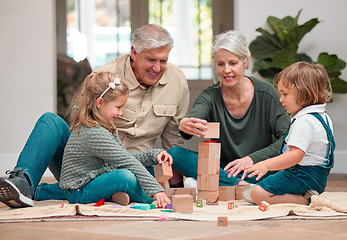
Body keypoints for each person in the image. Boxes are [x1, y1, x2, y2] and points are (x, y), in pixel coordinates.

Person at [0, 24, 188, 208]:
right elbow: (79, 120)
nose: (157, 68)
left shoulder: (177, 80)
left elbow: (173, 139)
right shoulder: (104, 79)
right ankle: (22, 181)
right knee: (51, 121)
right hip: (88, 164)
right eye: (151, 60)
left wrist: (171, 175)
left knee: (128, 177)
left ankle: (104, 193)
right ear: (135, 52)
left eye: (163, 61)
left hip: (136, 165)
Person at [168, 30, 290, 187]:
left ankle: (216, 182)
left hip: (258, 166)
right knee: (174, 154)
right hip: (224, 168)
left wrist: (251, 159)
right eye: (220, 64)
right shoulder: (210, 95)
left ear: (245, 61)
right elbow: (196, 115)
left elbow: (286, 139)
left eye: (233, 63)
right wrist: (185, 123)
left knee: (287, 168)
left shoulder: (266, 93)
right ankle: (239, 185)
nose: (226, 70)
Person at [59, 72, 171, 207]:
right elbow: (126, 161)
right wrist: (155, 190)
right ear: (100, 103)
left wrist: (154, 155)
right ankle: (148, 199)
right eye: (118, 107)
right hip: (79, 191)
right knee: (125, 177)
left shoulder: (107, 126)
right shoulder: (94, 132)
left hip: (94, 181)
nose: (121, 113)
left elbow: (123, 157)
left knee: (138, 170)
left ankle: (118, 196)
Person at [241, 62, 335, 205]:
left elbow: (295, 155)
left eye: (285, 94)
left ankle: (306, 200)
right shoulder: (323, 117)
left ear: (304, 92)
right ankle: (307, 193)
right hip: (319, 177)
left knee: (257, 194)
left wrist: (266, 164)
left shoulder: (304, 121)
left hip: (302, 176)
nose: (281, 99)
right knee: (269, 178)